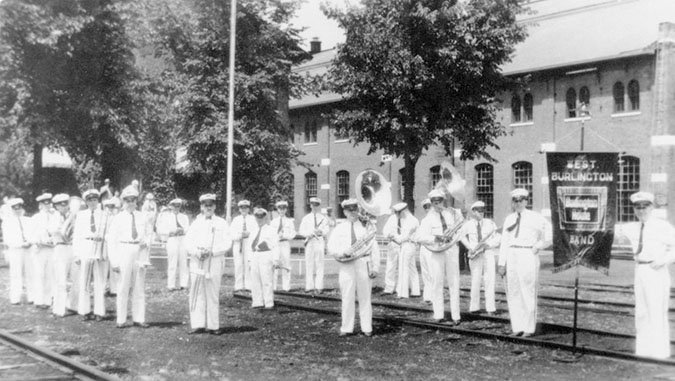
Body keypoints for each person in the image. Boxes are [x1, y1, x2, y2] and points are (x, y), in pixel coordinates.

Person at [626, 191, 675, 358]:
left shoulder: (662, 226)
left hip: (656, 271)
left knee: (656, 311)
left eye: (645, 206)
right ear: (634, 209)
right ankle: (643, 350)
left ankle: (659, 352)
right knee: (641, 312)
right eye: (637, 207)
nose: (641, 210)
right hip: (640, 270)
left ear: (652, 207)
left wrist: (663, 260)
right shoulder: (632, 227)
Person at [497, 188, 547, 338]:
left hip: (527, 254)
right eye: (515, 201)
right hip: (511, 255)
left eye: (521, 200)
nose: (518, 203)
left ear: (526, 201)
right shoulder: (509, 219)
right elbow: (504, 242)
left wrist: (537, 246)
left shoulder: (535, 218)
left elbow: (549, 235)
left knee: (527, 291)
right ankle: (517, 326)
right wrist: (501, 263)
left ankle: (529, 328)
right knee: (513, 292)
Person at [328, 199, 380, 336]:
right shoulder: (339, 229)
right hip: (346, 265)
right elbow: (330, 247)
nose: (353, 213)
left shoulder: (366, 228)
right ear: (344, 212)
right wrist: (342, 252)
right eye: (349, 210)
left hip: (364, 263)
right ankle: (346, 328)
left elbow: (374, 248)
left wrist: (376, 267)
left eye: (355, 210)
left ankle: (367, 328)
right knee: (347, 297)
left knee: (365, 297)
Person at [184, 193, 231, 335]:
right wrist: (196, 252)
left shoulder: (222, 223)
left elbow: (227, 242)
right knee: (197, 292)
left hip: (214, 261)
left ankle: (213, 325)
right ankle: (198, 324)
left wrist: (213, 251)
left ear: (215, 206)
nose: (208, 207)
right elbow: (187, 242)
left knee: (212, 292)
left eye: (211, 205)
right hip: (198, 260)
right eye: (205, 205)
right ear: (201, 207)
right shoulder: (196, 223)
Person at [108, 185, 152, 329]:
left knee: (139, 286)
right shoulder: (118, 218)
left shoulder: (142, 216)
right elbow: (111, 241)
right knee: (123, 287)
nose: (130, 203)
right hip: (123, 250)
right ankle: (121, 319)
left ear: (136, 201)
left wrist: (147, 241)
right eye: (127, 200)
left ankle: (139, 318)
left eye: (133, 200)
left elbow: (149, 234)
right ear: (123, 202)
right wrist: (114, 262)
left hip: (139, 251)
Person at [418, 189, 464, 324]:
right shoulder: (427, 219)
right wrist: (435, 238)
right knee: (437, 282)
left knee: (454, 282)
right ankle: (438, 314)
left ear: (443, 201)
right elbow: (419, 236)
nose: (437, 204)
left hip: (451, 250)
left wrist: (455, 234)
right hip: (437, 252)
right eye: (434, 202)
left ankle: (456, 316)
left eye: (440, 201)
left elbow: (460, 229)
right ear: (431, 203)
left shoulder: (452, 215)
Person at [460, 201, 500, 315]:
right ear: (473, 211)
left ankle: (491, 308)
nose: (481, 213)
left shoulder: (490, 223)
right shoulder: (468, 224)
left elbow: (498, 237)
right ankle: (474, 307)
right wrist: (470, 247)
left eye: (482, 211)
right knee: (475, 280)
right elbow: (461, 237)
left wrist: (489, 244)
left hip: (488, 253)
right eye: (478, 211)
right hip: (475, 254)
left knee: (490, 280)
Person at [73, 189, 107, 321]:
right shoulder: (81, 215)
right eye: (90, 200)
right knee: (84, 280)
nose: (92, 203)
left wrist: (105, 249)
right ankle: (85, 310)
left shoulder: (105, 215)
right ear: (86, 202)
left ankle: (99, 311)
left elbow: (108, 233)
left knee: (100, 281)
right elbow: (77, 235)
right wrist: (76, 254)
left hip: (99, 246)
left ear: (98, 201)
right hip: (85, 246)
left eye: (94, 200)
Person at [383, 202, 420, 298]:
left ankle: (403, 292)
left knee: (405, 268)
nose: (397, 215)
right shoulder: (392, 218)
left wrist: (395, 237)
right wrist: (388, 235)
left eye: (398, 213)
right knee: (391, 266)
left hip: (406, 244)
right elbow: (385, 230)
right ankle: (389, 289)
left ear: (402, 211)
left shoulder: (412, 220)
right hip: (394, 245)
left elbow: (404, 237)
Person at [49, 194, 76, 316]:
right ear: (56, 206)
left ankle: (73, 305)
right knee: (61, 279)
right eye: (61, 204)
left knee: (75, 277)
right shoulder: (54, 217)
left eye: (66, 203)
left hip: (72, 247)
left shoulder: (74, 216)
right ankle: (59, 308)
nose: (64, 206)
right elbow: (56, 231)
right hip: (60, 248)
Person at [2, 198, 33, 304]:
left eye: (19, 208)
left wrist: (29, 242)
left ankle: (32, 296)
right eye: (15, 208)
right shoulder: (7, 222)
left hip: (28, 249)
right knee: (16, 274)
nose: (17, 210)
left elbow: (32, 234)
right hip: (15, 250)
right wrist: (20, 244)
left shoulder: (27, 220)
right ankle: (15, 298)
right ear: (11, 209)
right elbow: (7, 239)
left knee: (30, 273)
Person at [249, 208, 279, 309]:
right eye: (257, 217)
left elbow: (275, 246)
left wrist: (276, 259)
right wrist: (249, 259)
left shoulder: (271, 230)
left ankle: (269, 302)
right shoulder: (253, 231)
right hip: (255, 255)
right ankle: (257, 302)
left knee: (266, 280)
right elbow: (250, 246)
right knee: (255, 280)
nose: (259, 219)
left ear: (265, 217)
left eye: (261, 217)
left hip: (266, 255)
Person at [157, 198, 190, 291]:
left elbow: (188, 228)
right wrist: (171, 231)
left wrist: (183, 230)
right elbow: (160, 230)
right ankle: (171, 285)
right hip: (172, 239)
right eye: (174, 206)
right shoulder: (166, 217)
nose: (176, 208)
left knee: (183, 262)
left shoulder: (184, 217)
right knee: (172, 262)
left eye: (178, 206)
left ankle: (184, 284)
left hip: (182, 239)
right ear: (171, 206)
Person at [298, 197, 329, 293]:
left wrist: (322, 231)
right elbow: (301, 231)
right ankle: (309, 286)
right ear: (310, 205)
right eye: (313, 205)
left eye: (317, 205)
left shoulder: (323, 218)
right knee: (309, 264)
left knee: (320, 264)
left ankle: (319, 286)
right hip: (310, 241)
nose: (314, 207)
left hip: (319, 241)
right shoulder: (306, 218)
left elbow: (327, 229)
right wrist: (310, 233)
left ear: (319, 206)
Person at [29, 193, 54, 309]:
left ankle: (47, 300)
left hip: (51, 249)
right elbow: (30, 235)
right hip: (40, 249)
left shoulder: (54, 217)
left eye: (49, 202)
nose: (48, 205)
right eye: (45, 203)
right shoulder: (36, 218)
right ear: (40, 205)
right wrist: (38, 241)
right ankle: (39, 300)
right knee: (39, 275)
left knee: (49, 275)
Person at [270, 201, 296, 291]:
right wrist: (277, 237)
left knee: (286, 265)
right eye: (280, 209)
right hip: (276, 244)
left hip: (285, 243)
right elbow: (270, 235)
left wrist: (284, 235)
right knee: (275, 264)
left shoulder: (289, 221)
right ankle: (273, 287)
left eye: (283, 209)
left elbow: (293, 234)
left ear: (286, 210)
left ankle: (286, 287)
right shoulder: (273, 222)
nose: (282, 211)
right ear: (277, 210)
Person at [231, 200, 255, 291]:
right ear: (239, 209)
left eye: (246, 207)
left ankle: (248, 285)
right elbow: (231, 234)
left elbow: (256, 232)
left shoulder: (253, 219)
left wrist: (249, 234)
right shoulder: (236, 220)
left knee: (248, 264)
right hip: (238, 244)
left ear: (249, 209)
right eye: (242, 208)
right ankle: (238, 286)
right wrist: (240, 235)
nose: (244, 209)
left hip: (248, 243)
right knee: (238, 265)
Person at [102, 197, 120, 296]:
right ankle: (103, 287)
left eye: (111, 207)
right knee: (103, 266)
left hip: (114, 243)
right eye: (108, 207)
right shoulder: (102, 217)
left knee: (114, 264)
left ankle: (114, 289)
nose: (110, 209)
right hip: (104, 243)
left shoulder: (116, 217)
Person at [418, 198, 433, 303]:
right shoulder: (423, 220)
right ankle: (427, 296)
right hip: (423, 248)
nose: (428, 209)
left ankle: (433, 296)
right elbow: (418, 236)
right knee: (425, 273)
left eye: (429, 206)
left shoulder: (436, 219)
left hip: (432, 248)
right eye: (425, 207)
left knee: (432, 273)